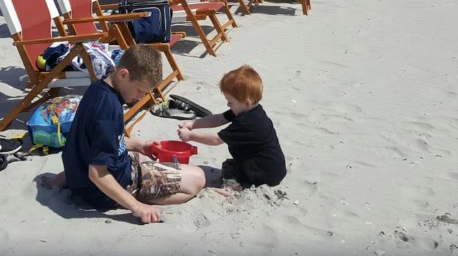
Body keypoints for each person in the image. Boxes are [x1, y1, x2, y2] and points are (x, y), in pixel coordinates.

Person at [45, 45, 206, 224]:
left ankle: (70, 177)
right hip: (106, 188)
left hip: (82, 172)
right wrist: (136, 206)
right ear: (123, 74)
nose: (139, 97)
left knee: (145, 158)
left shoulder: (96, 88)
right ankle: (135, 196)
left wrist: (138, 145)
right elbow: (97, 173)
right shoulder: (109, 110)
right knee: (197, 179)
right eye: (140, 91)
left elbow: (91, 138)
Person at [177, 65, 287, 189]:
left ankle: (238, 187)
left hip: (266, 175)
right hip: (273, 167)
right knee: (231, 164)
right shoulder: (249, 110)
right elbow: (218, 119)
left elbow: (216, 139)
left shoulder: (248, 122)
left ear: (246, 103)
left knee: (229, 171)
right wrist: (193, 124)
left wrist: (190, 136)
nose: (228, 104)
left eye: (230, 101)